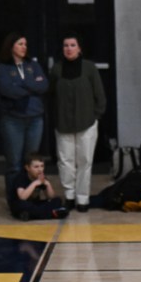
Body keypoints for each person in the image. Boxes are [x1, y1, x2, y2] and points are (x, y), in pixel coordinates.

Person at [48, 33, 107, 213]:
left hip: (87, 123)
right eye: (65, 45)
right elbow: (51, 95)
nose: (69, 48)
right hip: (63, 123)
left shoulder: (89, 68)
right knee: (65, 161)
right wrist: (55, 117)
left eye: (73, 45)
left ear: (79, 48)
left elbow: (99, 95)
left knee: (85, 161)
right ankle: (69, 196)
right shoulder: (56, 69)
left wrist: (95, 116)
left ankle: (83, 198)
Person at [0, 32, 48, 189]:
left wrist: (21, 84)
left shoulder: (33, 65)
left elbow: (43, 86)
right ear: (11, 46)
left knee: (33, 162)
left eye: (25, 44)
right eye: (20, 44)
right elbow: (7, 90)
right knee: (14, 163)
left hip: (35, 119)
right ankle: (15, 196)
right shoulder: (4, 68)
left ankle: (31, 194)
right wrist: (32, 86)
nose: (24, 47)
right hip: (13, 120)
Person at [9, 153, 68, 221]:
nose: (40, 169)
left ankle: (31, 215)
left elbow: (51, 197)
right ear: (27, 168)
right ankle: (51, 214)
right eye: (36, 167)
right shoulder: (21, 178)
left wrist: (47, 184)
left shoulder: (41, 178)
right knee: (22, 205)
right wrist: (35, 183)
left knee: (57, 201)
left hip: (34, 204)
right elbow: (22, 197)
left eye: (42, 166)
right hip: (21, 204)